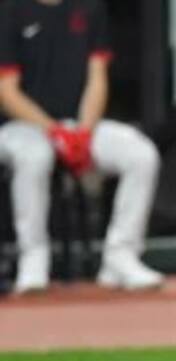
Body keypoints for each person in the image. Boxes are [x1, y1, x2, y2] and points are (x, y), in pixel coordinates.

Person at [0, 0, 163, 295]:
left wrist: (84, 133)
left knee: (141, 155)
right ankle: (33, 260)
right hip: (20, 127)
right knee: (35, 157)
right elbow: (6, 92)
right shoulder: (9, 10)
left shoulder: (90, 7)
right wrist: (53, 130)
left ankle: (121, 256)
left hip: (81, 125)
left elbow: (97, 77)